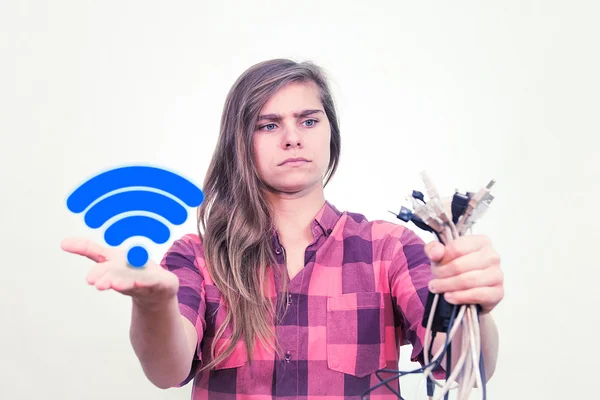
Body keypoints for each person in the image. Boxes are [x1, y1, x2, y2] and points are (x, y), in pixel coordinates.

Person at [61, 58, 503, 399]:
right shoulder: (197, 255)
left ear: (330, 131)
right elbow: (165, 370)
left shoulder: (389, 248)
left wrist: (472, 308)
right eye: (268, 125)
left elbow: (466, 366)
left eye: (308, 120)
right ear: (241, 140)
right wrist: (154, 304)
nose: (292, 137)